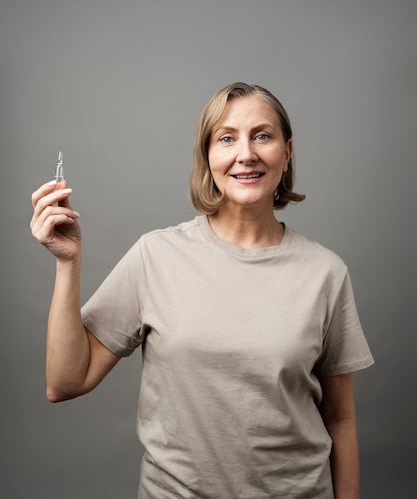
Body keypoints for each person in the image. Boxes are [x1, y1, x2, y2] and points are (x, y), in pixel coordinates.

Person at [30, 82, 374, 499]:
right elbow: (65, 383)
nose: (245, 153)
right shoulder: (156, 255)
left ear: (286, 151)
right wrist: (68, 263)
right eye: (226, 138)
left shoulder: (326, 273)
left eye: (262, 135)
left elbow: (340, 420)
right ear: (207, 157)